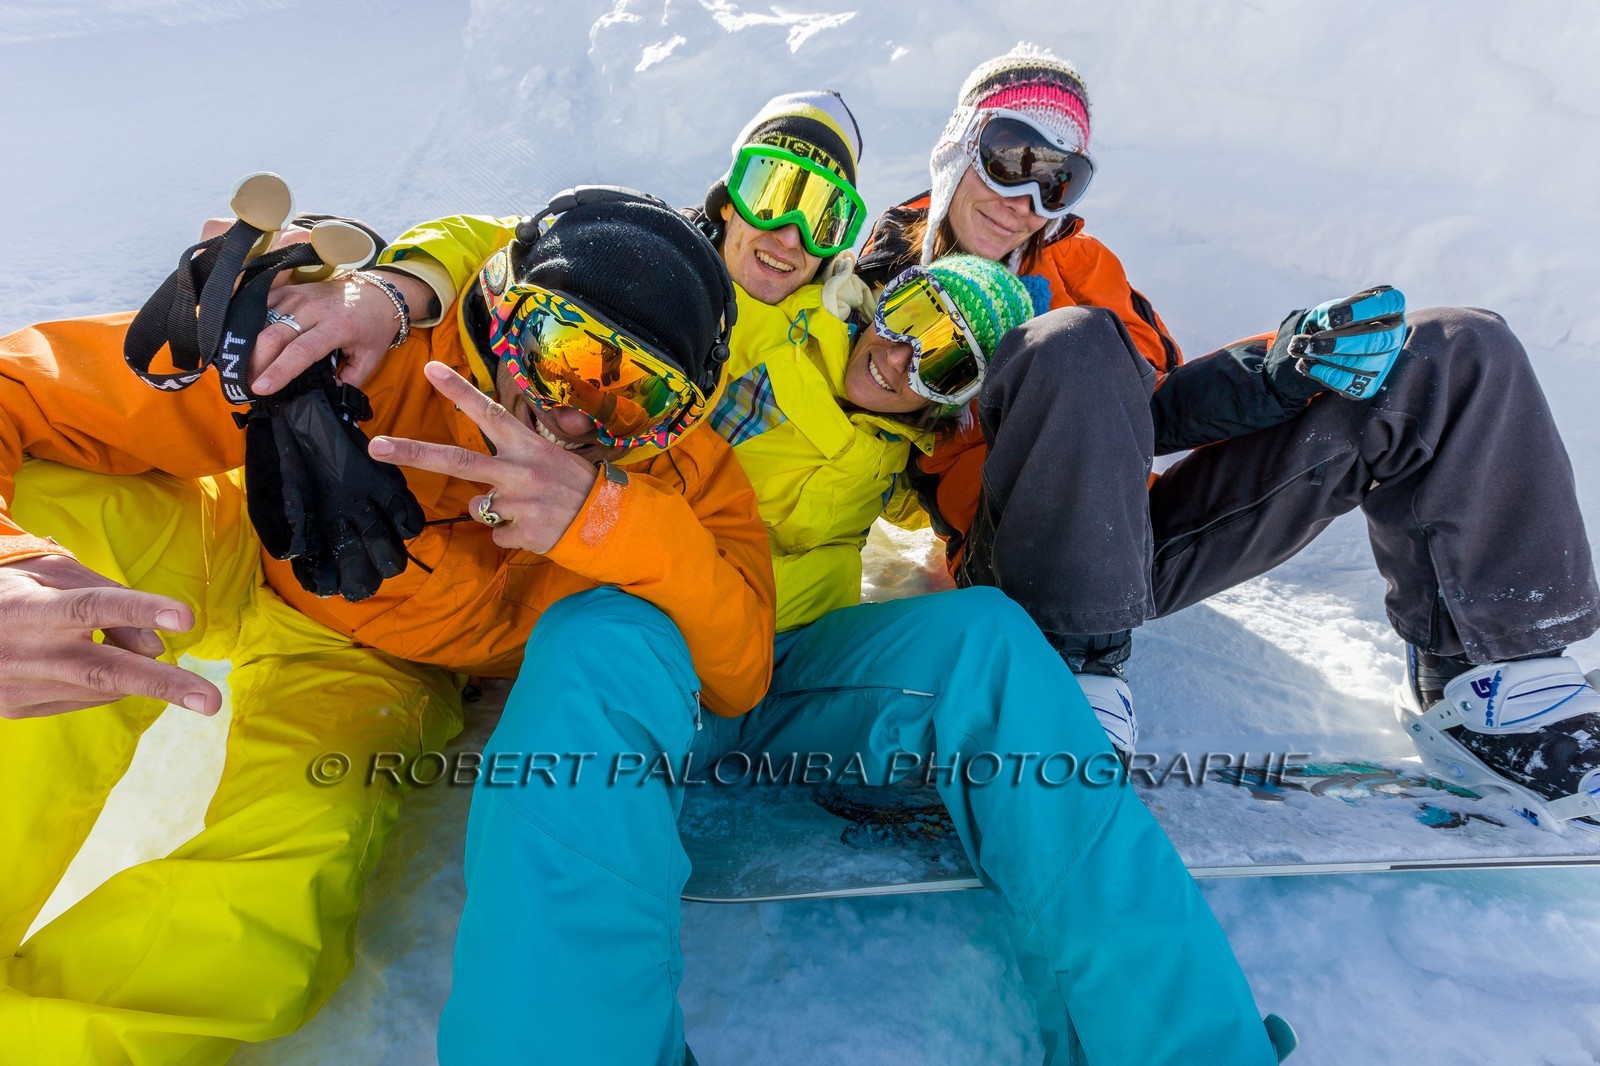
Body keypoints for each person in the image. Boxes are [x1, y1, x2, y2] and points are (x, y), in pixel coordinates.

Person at [304, 98, 1292, 1060]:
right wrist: (399, 280)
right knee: (596, 636)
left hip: (786, 676)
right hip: (635, 662)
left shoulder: (904, 441)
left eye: (947, 358)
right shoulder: (741, 307)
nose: (907, 354)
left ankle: (1187, 1041)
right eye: (910, 318)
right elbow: (534, 243)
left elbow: (1015, 490)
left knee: (988, 634)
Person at [0, 189, 775, 1063]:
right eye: (561, 356)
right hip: (228, 538)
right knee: (60, 552)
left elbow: (740, 667)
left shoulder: (674, 475)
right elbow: (21, 389)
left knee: (264, 922)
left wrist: (602, 518)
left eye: (632, 399)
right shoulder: (361, 344)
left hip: (376, 673)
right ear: (500, 314)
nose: (572, 418)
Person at [856, 43, 1600, 830]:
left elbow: (1148, 410)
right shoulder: (871, 288)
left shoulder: (1078, 262)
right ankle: (1068, 684)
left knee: (1457, 349)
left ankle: (1491, 679)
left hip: (1129, 544)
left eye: (1057, 180)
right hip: (1015, 568)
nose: (1023, 199)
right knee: (1069, 342)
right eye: (1009, 158)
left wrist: (1282, 365)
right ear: (957, 149)